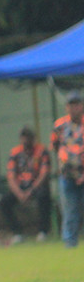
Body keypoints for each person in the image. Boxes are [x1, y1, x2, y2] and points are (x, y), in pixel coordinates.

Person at [0, 126, 51, 243]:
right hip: (21, 186)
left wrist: (31, 190)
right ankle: (17, 232)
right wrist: (19, 193)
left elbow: (44, 174)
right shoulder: (15, 153)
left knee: (43, 197)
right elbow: (11, 176)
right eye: (24, 138)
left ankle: (43, 231)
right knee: (4, 202)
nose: (26, 141)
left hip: (37, 185)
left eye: (28, 138)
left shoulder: (41, 151)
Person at [51, 90, 84, 247]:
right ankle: (70, 241)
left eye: (76, 104)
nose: (73, 108)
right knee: (70, 209)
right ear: (66, 107)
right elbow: (55, 146)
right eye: (71, 105)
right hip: (67, 175)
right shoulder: (59, 126)